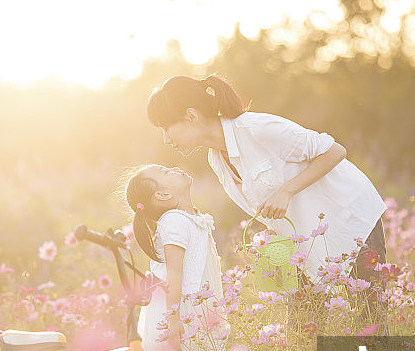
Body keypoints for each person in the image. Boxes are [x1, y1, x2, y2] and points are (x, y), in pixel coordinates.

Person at [146, 74, 387, 287]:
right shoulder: (216, 159)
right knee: (305, 329)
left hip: (349, 220)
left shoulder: (256, 128)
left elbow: (334, 151)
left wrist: (287, 191)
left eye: (166, 127)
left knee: (369, 322)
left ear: (191, 116)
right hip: (306, 241)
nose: (166, 139)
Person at [125, 164, 227, 351]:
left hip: (195, 303)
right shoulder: (174, 221)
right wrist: (173, 320)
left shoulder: (192, 217)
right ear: (163, 194)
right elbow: (174, 271)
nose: (174, 168)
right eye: (165, 172)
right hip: (180, 308)